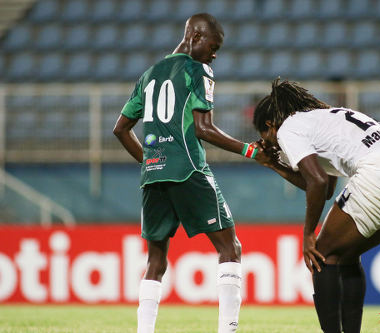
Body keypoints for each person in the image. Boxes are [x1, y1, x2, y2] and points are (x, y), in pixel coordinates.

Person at [113, 13, 263, 333]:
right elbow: (203, 129)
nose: (215, 54)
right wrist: (249, 150)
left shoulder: (150, 74)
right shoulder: (198, 70)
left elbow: (121, 129)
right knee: (230, 248)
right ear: (195, 37)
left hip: (153, 175)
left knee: (155, 262)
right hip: (188, 170)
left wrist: (150, 159)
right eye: (213, 45)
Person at [253, 79, 380, 333]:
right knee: (345, 256)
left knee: (322, 255)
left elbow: (317, 181)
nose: (273, 145)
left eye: (267, 138)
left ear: (270, 125)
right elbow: (324, 188)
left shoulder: (287, 129)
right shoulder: (322, 119)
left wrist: (307, 235)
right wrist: (273, 164)